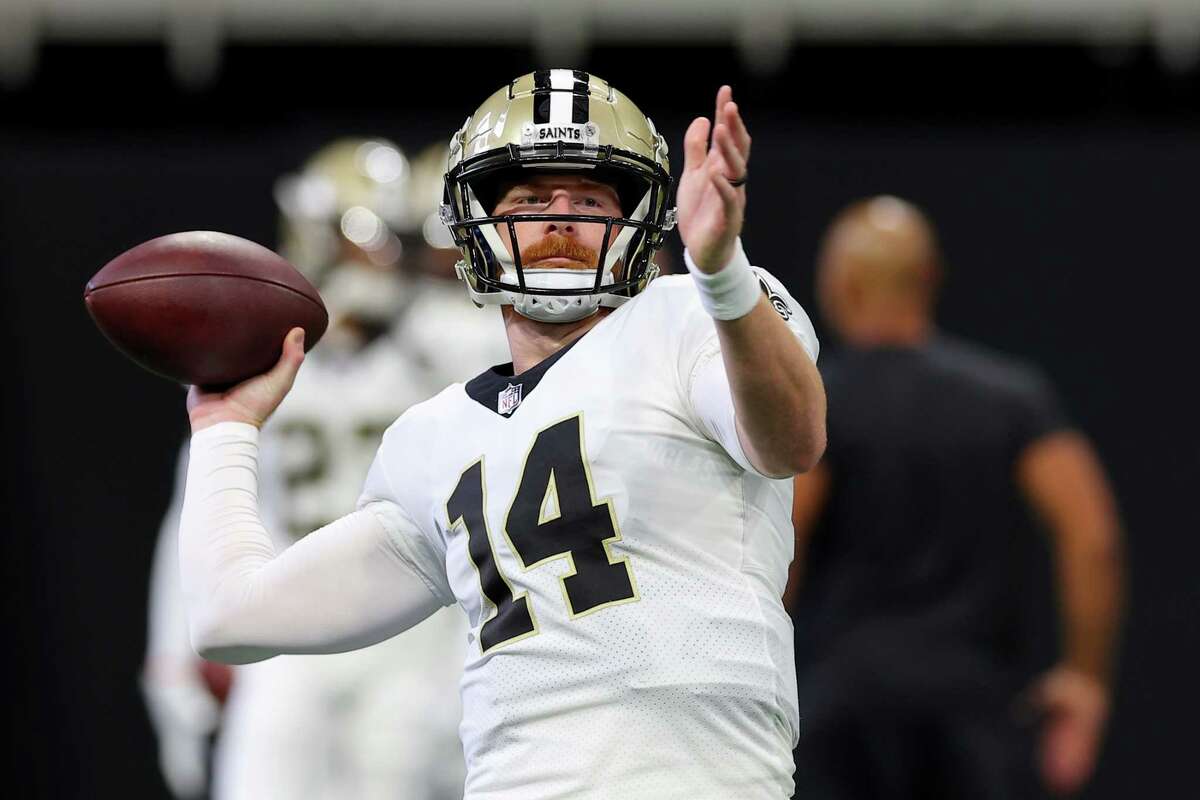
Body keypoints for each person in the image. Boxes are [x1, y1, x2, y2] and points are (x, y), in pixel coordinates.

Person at [173, 71, 826, 798]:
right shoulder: (432, 438)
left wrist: (723, 273)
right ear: (471, 224)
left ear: (640, 221)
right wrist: (225, 426)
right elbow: (232, 615)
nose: (560, 217)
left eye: (589, 198)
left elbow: (789, 441)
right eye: (529, 199)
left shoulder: (693, 318)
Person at [141, 137, 510, 799]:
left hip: (412, 630)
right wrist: (171, 654)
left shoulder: (454, 343)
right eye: (354, 240)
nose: (362, 260)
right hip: (290, 619)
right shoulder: (269, 350)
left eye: (372, 241)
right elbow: (199, 499)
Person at [785, 196, 1124, 799]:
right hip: (977, 716)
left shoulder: (817, 405)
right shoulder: (1013, 399)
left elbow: (782, 543)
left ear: (840, 283)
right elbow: (1093, 537)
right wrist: (1085, 680)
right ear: (930, 277)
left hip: (845, 709)